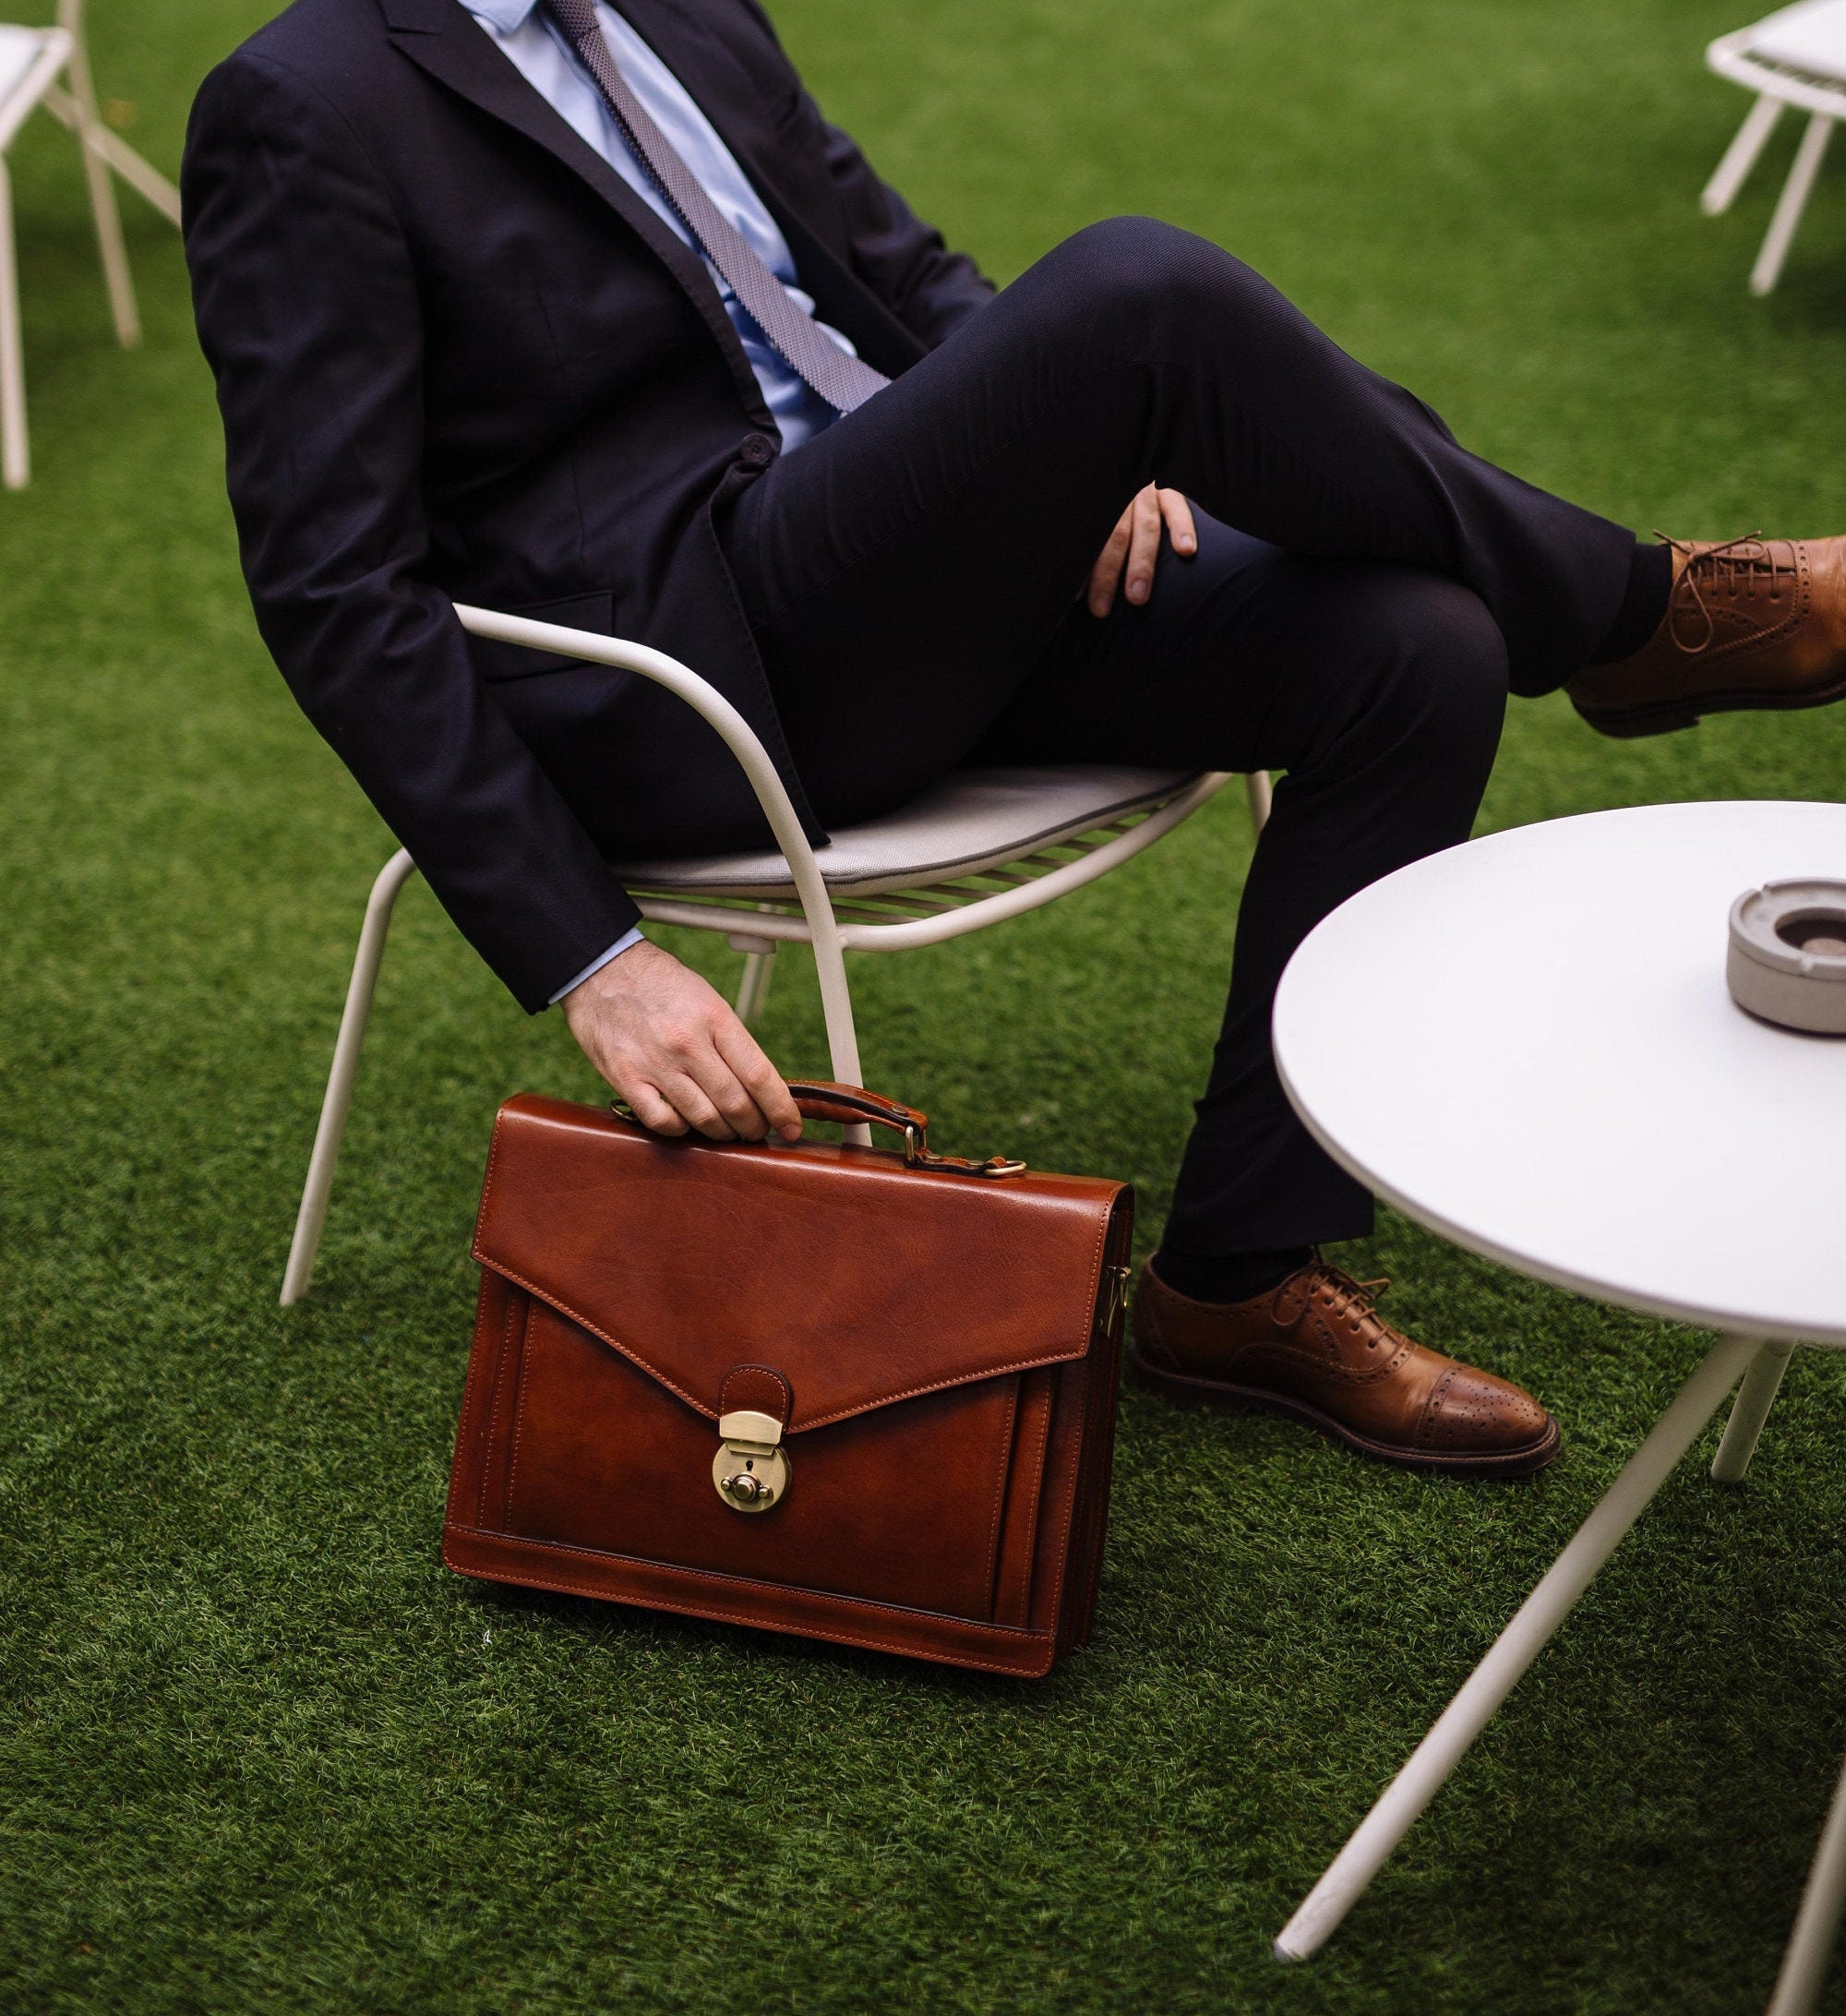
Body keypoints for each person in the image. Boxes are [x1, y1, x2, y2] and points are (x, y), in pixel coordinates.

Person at [183, 0, 1846, 1481]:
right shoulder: (304, 97)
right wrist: (591, 955)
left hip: (896, 574)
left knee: (1419, 648)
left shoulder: (678, 7)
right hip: (696, 664)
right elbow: (337, 584)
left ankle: (1236, 1284)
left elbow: (895, 276)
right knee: (1140, 286)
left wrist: (1081, 447)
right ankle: (1642, 615)